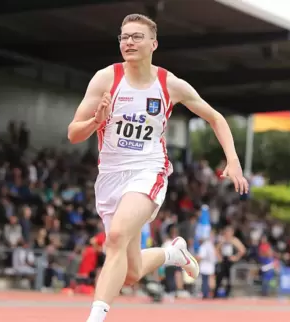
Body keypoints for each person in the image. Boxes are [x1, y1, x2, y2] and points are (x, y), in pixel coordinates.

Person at [67, 14, 249, 322]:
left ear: (154, 44)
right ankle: (172, 254)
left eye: (137, 37)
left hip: (148, 170)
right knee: (130, 273)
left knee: (116, 238)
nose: (129, 42)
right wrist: (97, 121)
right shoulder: (105, 79)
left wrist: (232, 160)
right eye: (124, 37)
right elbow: (74, 133)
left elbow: (215, 117)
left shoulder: (169, 84)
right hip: (110, 176)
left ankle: (95, 318)